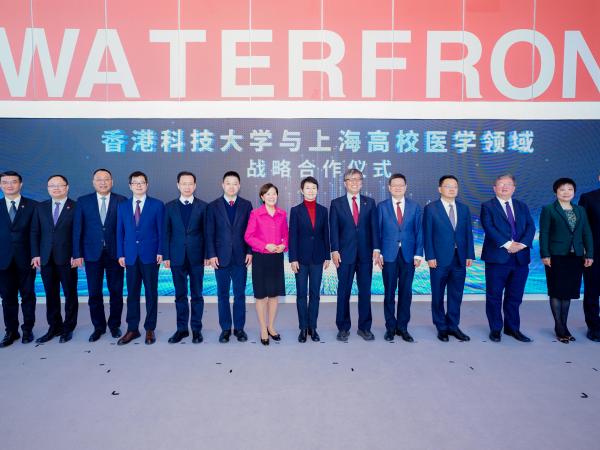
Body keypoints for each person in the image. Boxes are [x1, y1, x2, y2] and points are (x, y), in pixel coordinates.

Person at [480, 174, 535, 343]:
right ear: (494, 188)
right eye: (501, 184)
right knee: (494, 295)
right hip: (497, 258)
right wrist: (507, 244)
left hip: (520, 258)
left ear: (514, 188)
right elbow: (489, 227)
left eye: (508, 184)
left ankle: (512, 328)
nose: (505, 187)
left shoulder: (522, 206)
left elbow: (530, 227)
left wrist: (522, 244)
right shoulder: (487, 206)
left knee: (515, 296)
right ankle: (496, 329)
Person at [72, 169, 125, 342]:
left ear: (112, 181)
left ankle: (114, 325)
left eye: (106, 179)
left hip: (115, 254)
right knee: (94, 292)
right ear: (93, 182)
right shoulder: (83, 201)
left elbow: (125, 230)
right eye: (99, 180)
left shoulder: (121, 200)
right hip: (91, 254)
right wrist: (77, 253)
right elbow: (77, 229)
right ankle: (98, 327)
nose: (103, 182)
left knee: (116, 291)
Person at [539, 178, 593, 343]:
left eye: (570, 189)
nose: (566, 192)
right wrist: (545, 254)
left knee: (567, 293)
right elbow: (545, 233)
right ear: (556, 191)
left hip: (575, 257)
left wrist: (589, 254)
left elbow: (586, 233)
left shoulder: (580, 210)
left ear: (574, 192)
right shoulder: (549, 209)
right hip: (556, 256)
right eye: (562, 189)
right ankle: (560, 327)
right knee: (556, 291)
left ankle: (564, 326)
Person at [329, 169, 380, 342]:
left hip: (366, 254)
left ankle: (364, 327)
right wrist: (334, 250)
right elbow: (333, 229)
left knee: (365, 292)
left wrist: (376, 249)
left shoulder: (370, 202)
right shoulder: (336, 203)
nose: (354, 182)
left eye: (358, 179)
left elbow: (374, 227)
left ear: (362, 182)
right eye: (351, 180)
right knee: (343, 292)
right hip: (344, 255)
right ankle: (343, 328)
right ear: (345, 183)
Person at [423, 175, 475, 342]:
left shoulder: (464, 208)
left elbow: (468, 233)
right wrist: (430, 256)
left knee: (456, 294)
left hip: (459, 259)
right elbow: (427, 234)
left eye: (455, 186)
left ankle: (453, 325)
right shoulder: (431, 208)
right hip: (438, 259)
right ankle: (441, 327)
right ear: (440, 189)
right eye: (448, 186)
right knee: (437, 294)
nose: (452, 189)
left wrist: (469, 254)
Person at [116, 171, 164, 345]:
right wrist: (120, 253)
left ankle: (150, 328)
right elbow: (119, 232)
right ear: (130, 186)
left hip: (150, 255)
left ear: (147, 184)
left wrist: (161, 251)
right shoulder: (122, 206)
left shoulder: (157, 205)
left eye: (142, 182)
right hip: (130, 256)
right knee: (132, 294)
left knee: (151, 293)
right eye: (135, 183)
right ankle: (132, 329)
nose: (138, 185)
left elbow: (161, 231)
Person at [206, 171, 253, 343]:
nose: (231, 186)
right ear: (222, 185)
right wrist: (211, 254)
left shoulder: (246, 205)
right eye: (228, 183)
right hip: (221, 258)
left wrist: (250, 251)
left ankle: (239, 328)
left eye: (235, 183)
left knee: (240, 294)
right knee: (222, 294)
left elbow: (250, 231)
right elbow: (209, 233)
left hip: (241, 257)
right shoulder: (213, 206)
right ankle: (225, 329)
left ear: (239, 186)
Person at [31, 174, 78, 343]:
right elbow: (35, 232)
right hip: (46, 258)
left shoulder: (75, 207)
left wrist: (77, 254)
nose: (56, 188)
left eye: (60, 185)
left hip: (68, 258)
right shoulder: (40, 207)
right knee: (51, 294)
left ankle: (68, 327)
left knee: (70, 294)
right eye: (52, 186)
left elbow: (78, 233)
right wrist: (36, 254)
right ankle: (54, 326)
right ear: (48, 188)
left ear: (67, 187)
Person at [376, 173, 423, 342]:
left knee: (406, 292)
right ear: (389, 188)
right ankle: (390, 327)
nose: (397, 187)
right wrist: (379, 252)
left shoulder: (415, 207)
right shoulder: (381, 207)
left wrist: (418, 254)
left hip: (408, 256)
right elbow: (378, 231)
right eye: (394, 185)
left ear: (405, 187)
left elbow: (419, 232)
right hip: (388, 255)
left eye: (401, 185)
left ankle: (403, 327)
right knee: (389, 293)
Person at [163, 171, 207, 344]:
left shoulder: (203, 206)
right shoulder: (169, 207)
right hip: (176, 257)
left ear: (195, 186)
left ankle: (196, 329)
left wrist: (206, 255)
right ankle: (182, 329)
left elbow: (207, 233)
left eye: (190, 183)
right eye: (184, 183)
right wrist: (166, 255)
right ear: (178, 185)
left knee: (197, 294)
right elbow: (166, 233)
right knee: (180, 295)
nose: (187, 186)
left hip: (197, 257)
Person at [244, 183, 288, 345]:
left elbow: (285, 234)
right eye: (268, 194)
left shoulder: (282, 214)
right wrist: (264, 245)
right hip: (261, 259)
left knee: (274, 295)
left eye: (274, 194)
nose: (271, 196)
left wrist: (284, 245)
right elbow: (248, 237)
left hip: (276, 258)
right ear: (262, 197)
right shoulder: (255, 214)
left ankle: (271, 326)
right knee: (261, 296)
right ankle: (263, 328)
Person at [288, 177, 330, 343]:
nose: (311, 190)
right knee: (301, 294)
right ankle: (303, 328)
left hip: (318, 258)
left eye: (313, 188)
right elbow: (293, 236)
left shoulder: (323, 210)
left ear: (317, 190)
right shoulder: (296, 210)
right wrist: (293, 258)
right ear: (301, 190)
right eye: (307, 188)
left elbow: (325, 234)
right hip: (301, 259)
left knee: (315, 294)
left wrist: (327, 255)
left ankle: (313, 327)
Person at [0, 171, 37, 347]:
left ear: (20, 184)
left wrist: (36, 255)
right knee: (7, 298)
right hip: (3, 260)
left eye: (13, 182)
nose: (9, 185)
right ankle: (11, 331)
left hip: (27, 259)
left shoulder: (33, 206)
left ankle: (27, 329)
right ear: (1, 185)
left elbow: (36, 233)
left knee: (28, 296)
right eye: (5, 182)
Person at [578, 177, 600, 342]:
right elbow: (582, 228)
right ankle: (594, 327)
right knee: (592, 292)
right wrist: (587, 252)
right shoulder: (588, 198)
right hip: (595, 254)